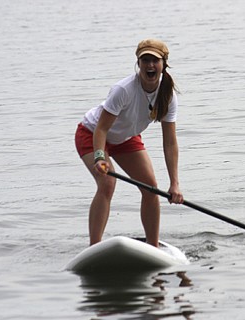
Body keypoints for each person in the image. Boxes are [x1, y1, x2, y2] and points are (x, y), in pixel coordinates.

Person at [75, 38, 184, 247]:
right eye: (146, 60)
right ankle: (94, 247)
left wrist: (175, 184)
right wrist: (99, 157)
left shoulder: (168, 95)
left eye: (155, 60)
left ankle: (154, 248)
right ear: (138, 63)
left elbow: (170, 143)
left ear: (164, 64)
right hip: (92, 134)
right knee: (107, 183)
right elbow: (102, 129)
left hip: (125, 138)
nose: (150, 65)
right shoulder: (123, 90)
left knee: (151, 188)